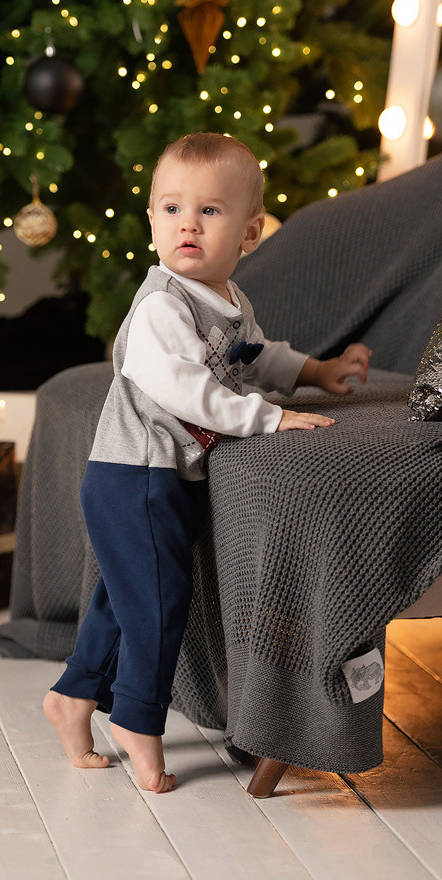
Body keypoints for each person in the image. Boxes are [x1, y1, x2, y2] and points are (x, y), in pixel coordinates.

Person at [43, 132, 371, 793]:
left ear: (249, 234)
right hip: (133, 476)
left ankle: (72, 698)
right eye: (170, 209)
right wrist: (269, 418)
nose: (186, 224)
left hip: (163, 476)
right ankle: (136, 717)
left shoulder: (227, 302)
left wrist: (316, 372)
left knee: (122, 597)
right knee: (158, 606)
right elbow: (189, 391)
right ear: (151, 223)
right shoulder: (161, 306)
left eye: (209, 212)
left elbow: (257, 357)